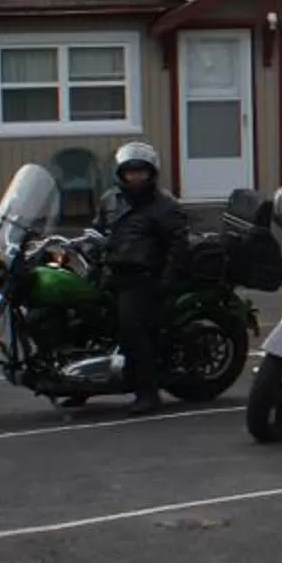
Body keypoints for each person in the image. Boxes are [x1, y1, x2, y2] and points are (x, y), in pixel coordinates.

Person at [96, 140, 188, 414]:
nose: (135, 177)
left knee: (131, 326)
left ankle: (147, 392)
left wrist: (167, 279)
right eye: (130, 172)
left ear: (151, 173)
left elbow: (179, 245)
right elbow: (98, 231)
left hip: (144, 276)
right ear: (121, 174)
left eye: (141, 172)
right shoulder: (110, 200)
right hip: (112, 270)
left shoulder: (165, 206)